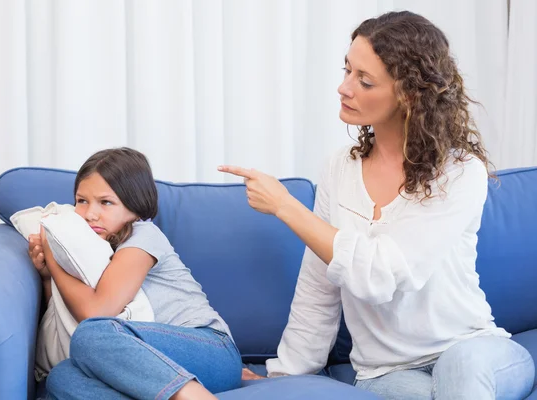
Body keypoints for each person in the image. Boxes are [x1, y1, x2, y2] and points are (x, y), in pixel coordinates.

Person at [219, 10, 535, 400]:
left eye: (364, 80)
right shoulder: (340, 168)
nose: (344, 87)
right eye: (347, 70)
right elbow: (319, 287)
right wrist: (285, 373)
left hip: (475, 349)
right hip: (385, 371)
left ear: (409, 94)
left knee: (461, 373)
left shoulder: (459, 171)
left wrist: (286, 206)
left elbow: (384, 272)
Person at [28, 148, 242, 400]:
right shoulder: (90, 249)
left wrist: (53, 258)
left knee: (91, 335)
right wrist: (46, 277)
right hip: (147, 362)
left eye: (105, 202)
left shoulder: (143, 235)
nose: (89, 214)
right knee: (63, 377)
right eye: (81, 200)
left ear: (136, 207)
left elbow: (96, 313)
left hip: (210, 349)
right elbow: (65, 319)